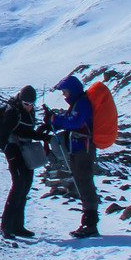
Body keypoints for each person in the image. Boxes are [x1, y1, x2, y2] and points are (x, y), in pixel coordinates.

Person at [45, 74, 99, 238]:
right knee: (82, 184)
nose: (64, 95)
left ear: (72, 90)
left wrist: (54, 118)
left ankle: (90, 224)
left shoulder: (81, 103)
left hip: (83, 150)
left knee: (85, 184)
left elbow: (75, 122)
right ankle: (88, 222)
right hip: (79, 150)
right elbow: (72, 121)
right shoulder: (79, 102)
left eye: (65, 92)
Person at [0, 85, 42, 240]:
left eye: (31, 104)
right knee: (18, 186)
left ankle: (18, 226)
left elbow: (27, 131)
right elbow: (9, 132)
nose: (29, 107)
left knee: (25, 186)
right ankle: (6, 226)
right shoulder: (12, 112)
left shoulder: (28, 112)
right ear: (20, 101)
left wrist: (40, 134)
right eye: (26, 104)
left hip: (25, 151)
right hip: (13, 152)